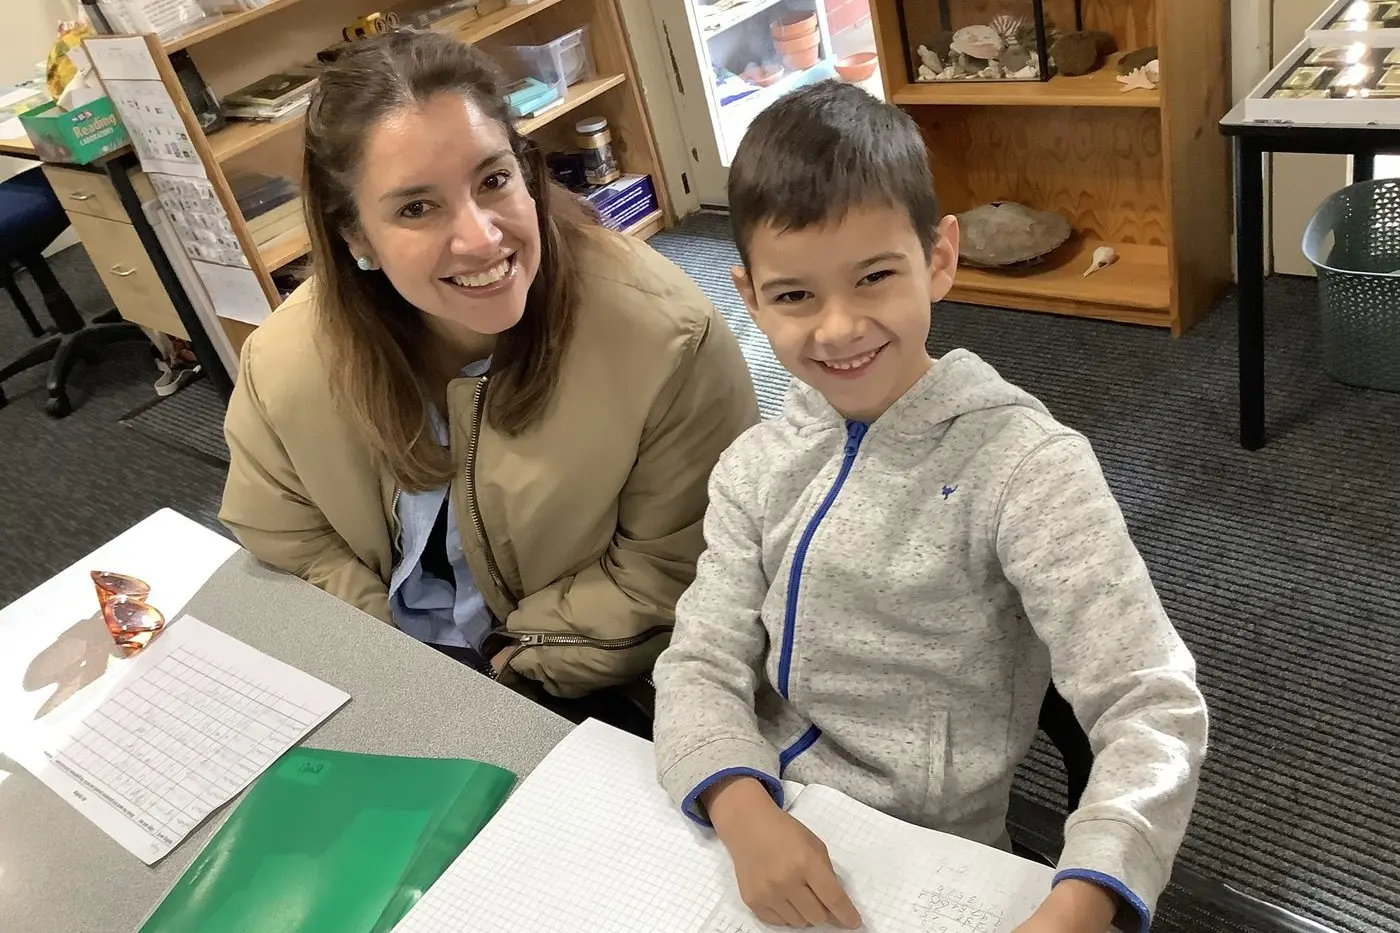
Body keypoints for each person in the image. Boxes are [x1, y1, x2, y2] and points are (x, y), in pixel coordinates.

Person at [651, 82, 1209, 932]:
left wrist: (1086, 893)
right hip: (747, 817)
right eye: (795, 295)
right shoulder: (754, 465)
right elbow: (699, 659)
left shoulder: (1027, 468)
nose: (839, 329)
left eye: (875, 277)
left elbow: (1152, 703)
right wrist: (739, 804)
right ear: (750, 296)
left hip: (928, 853)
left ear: (939, 258)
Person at [219, 30, 758, 735]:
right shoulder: (288, 359)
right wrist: (387, 646)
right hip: (379, 667)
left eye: (493, 181)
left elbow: (680, 565)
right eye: (416, 208)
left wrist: (512, 659)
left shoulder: (666, 340)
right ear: (354, 236)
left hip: (577, 682)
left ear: (527, 171)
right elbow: (284, 529)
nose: (479, 239)